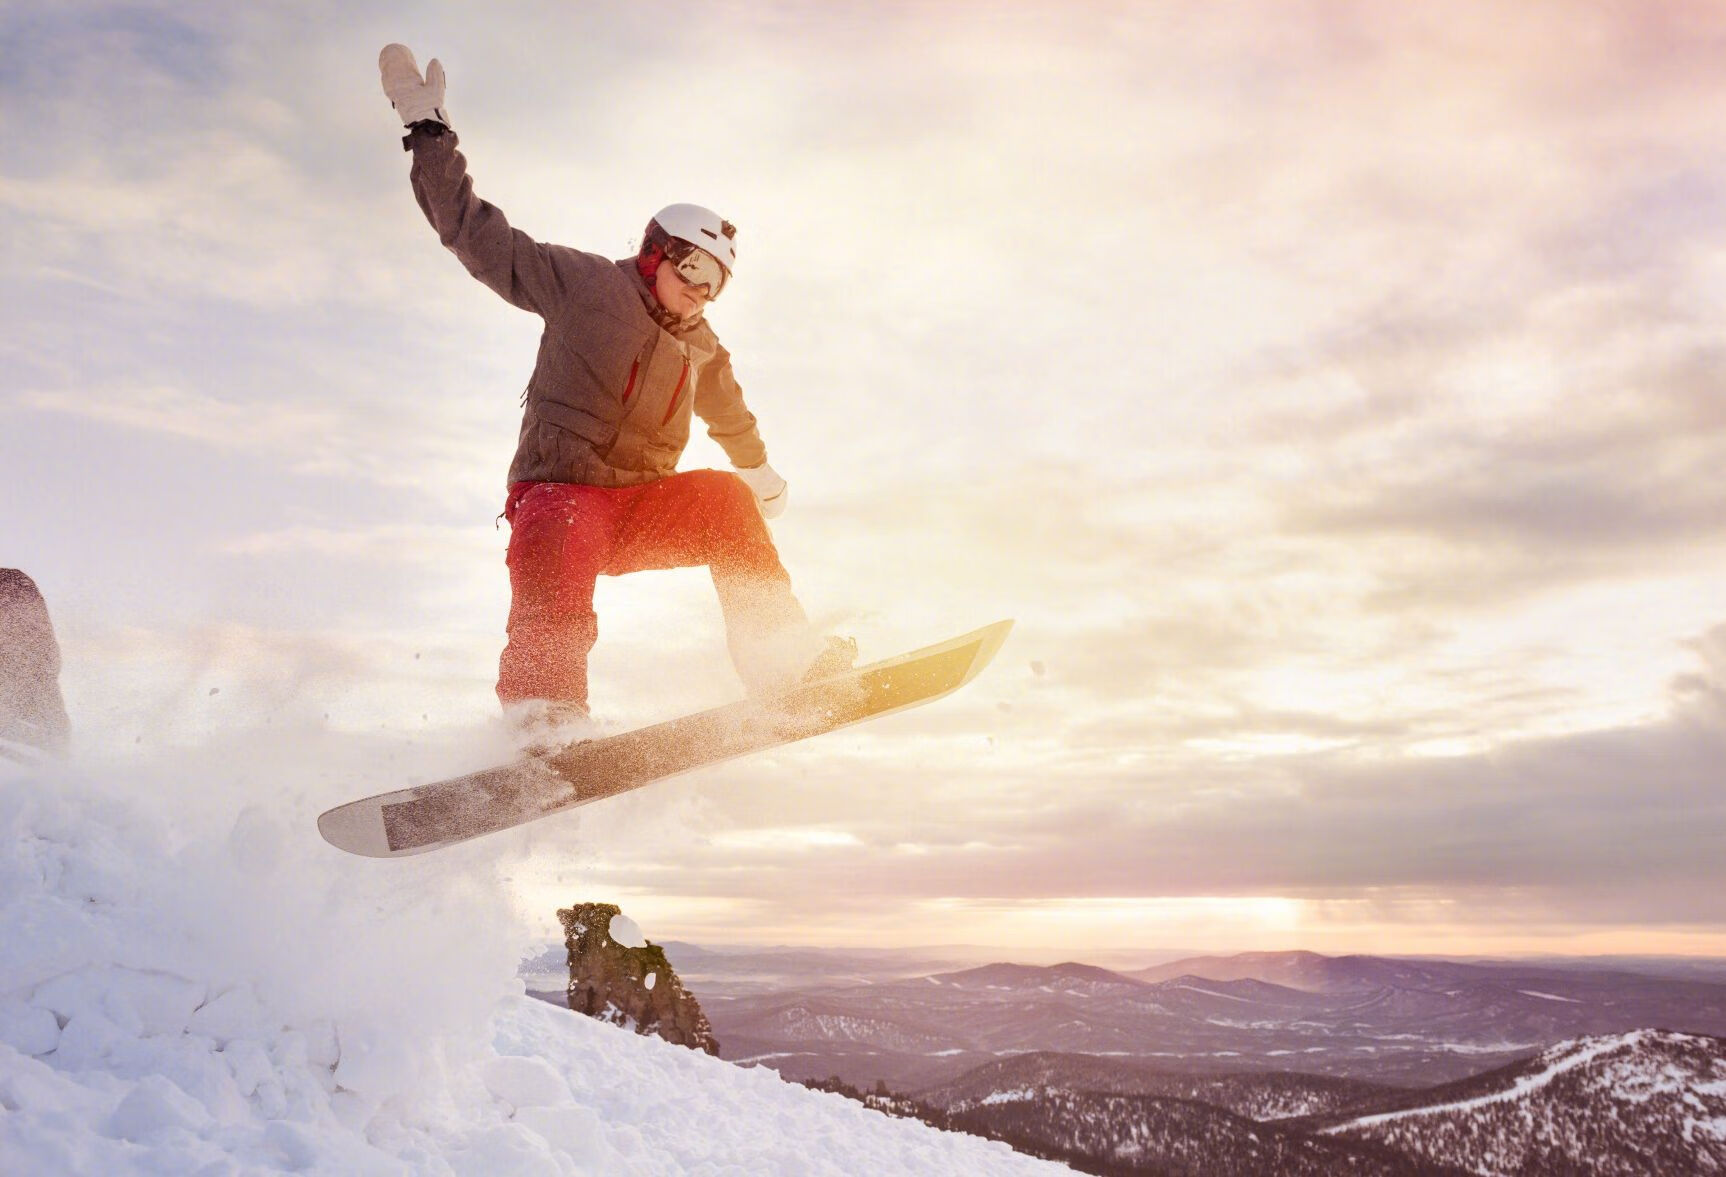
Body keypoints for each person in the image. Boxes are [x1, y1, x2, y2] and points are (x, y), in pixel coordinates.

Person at [378, 45, 853, 737]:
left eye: (716, 283)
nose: (699, 291)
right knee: (565, 527)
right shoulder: (585, 285)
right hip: (559, 499)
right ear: (657, 253)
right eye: (692, 268)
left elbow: (730, 413)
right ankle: (545, 718)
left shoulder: (701, 346)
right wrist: (428, 131)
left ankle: (785, 664)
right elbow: (473, 232)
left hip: (637, 510)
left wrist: (758, 471)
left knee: (725, 498)